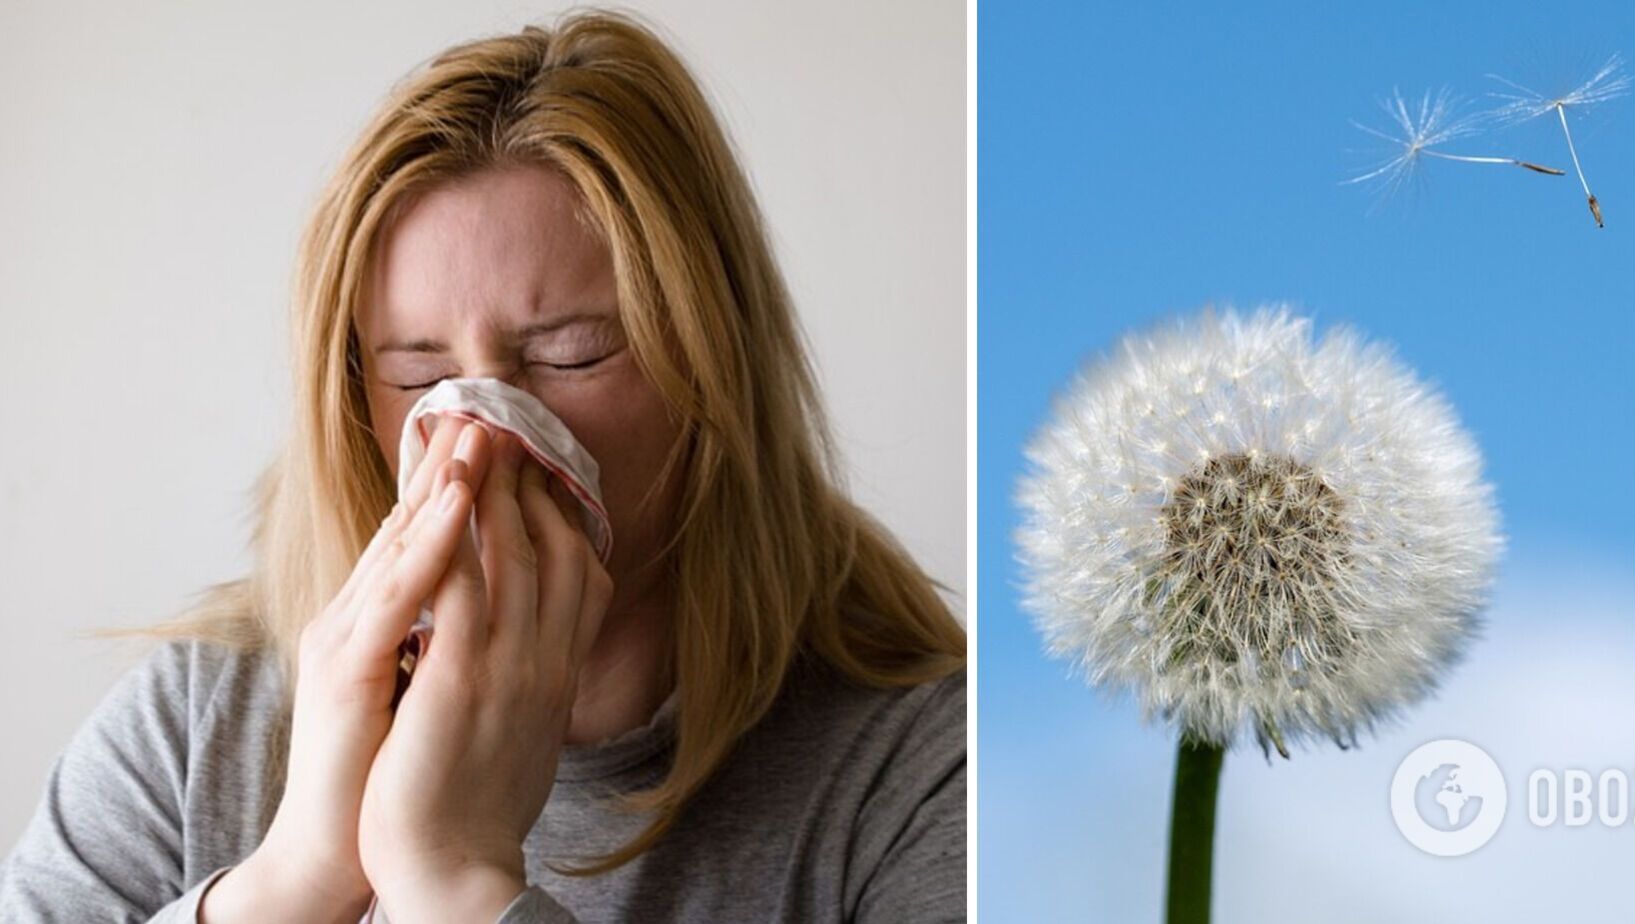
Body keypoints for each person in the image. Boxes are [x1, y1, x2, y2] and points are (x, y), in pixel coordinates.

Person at [0, 9, 966, 922]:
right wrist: (295, 879)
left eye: (573, 355)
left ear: (713, 370)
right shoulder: (194, 734)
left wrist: (454, 876)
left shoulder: (923, 773)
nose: (480, 435)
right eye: (419, 374)